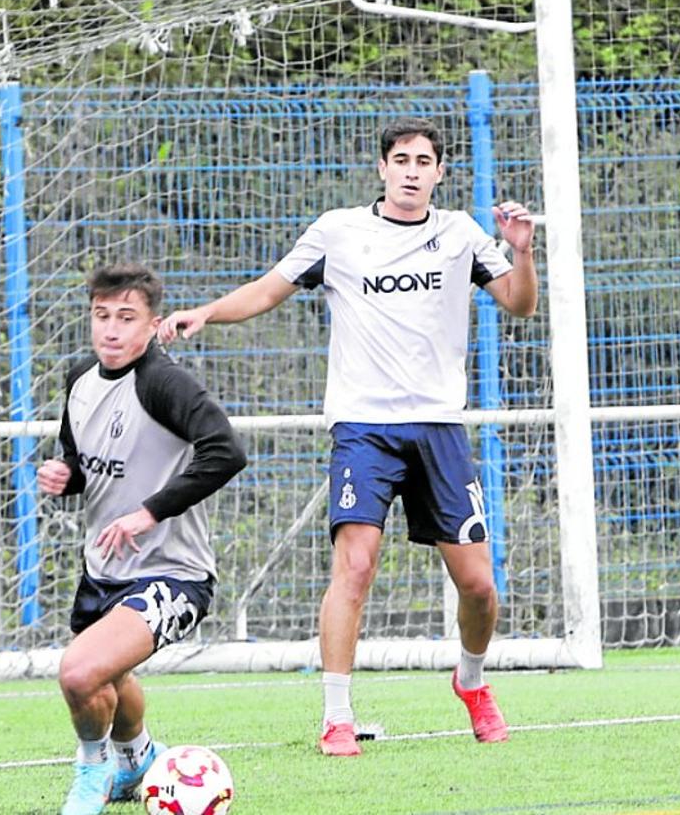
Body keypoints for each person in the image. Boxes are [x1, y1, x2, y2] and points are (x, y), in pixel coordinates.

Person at [158, 117, 537, 757]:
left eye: (424, 161)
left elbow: (520, 304)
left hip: (440, 428)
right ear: (382, 169)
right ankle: (336, 715)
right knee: (354, 566)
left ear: (440, 173)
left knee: (477, 585)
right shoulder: (339, 232)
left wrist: (522, 250)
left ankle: (471, 683)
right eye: (401, 159)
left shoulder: (462, 235)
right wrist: (206, 312)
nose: (412, 170)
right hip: (362, 428)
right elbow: (269, 288)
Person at [39, 263, 247, 815]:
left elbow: (226, 452)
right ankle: (136, 758)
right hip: (104, 569)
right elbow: (82, 461)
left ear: (153, 325)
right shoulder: (80, 378)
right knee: (106, 676)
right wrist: (66, 476)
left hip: (173, 574)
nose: (111, 330)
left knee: (80, 671)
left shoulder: (163, 382)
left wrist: (148, 514)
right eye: (101, 316)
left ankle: (92, 769)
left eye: (126, 318)